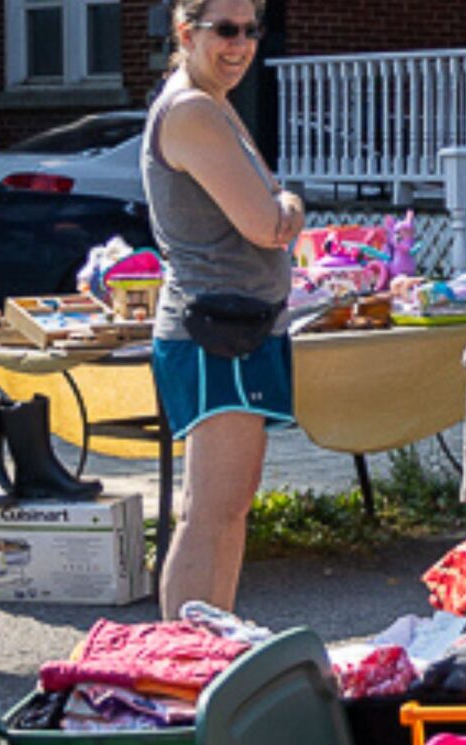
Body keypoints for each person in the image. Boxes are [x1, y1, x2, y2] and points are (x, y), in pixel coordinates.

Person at [143, 0, 303, 614]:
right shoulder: (191, 110)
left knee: (231, 509)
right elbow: (268, 222)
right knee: (209, 512)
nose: (240, 44)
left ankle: (214, 650)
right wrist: (292, 204)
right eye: (225, 30)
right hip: (216, 334)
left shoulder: (214, 104)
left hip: (241, 328)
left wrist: (281, 203)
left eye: (251, 31)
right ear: (186, 32)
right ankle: (179, 668)